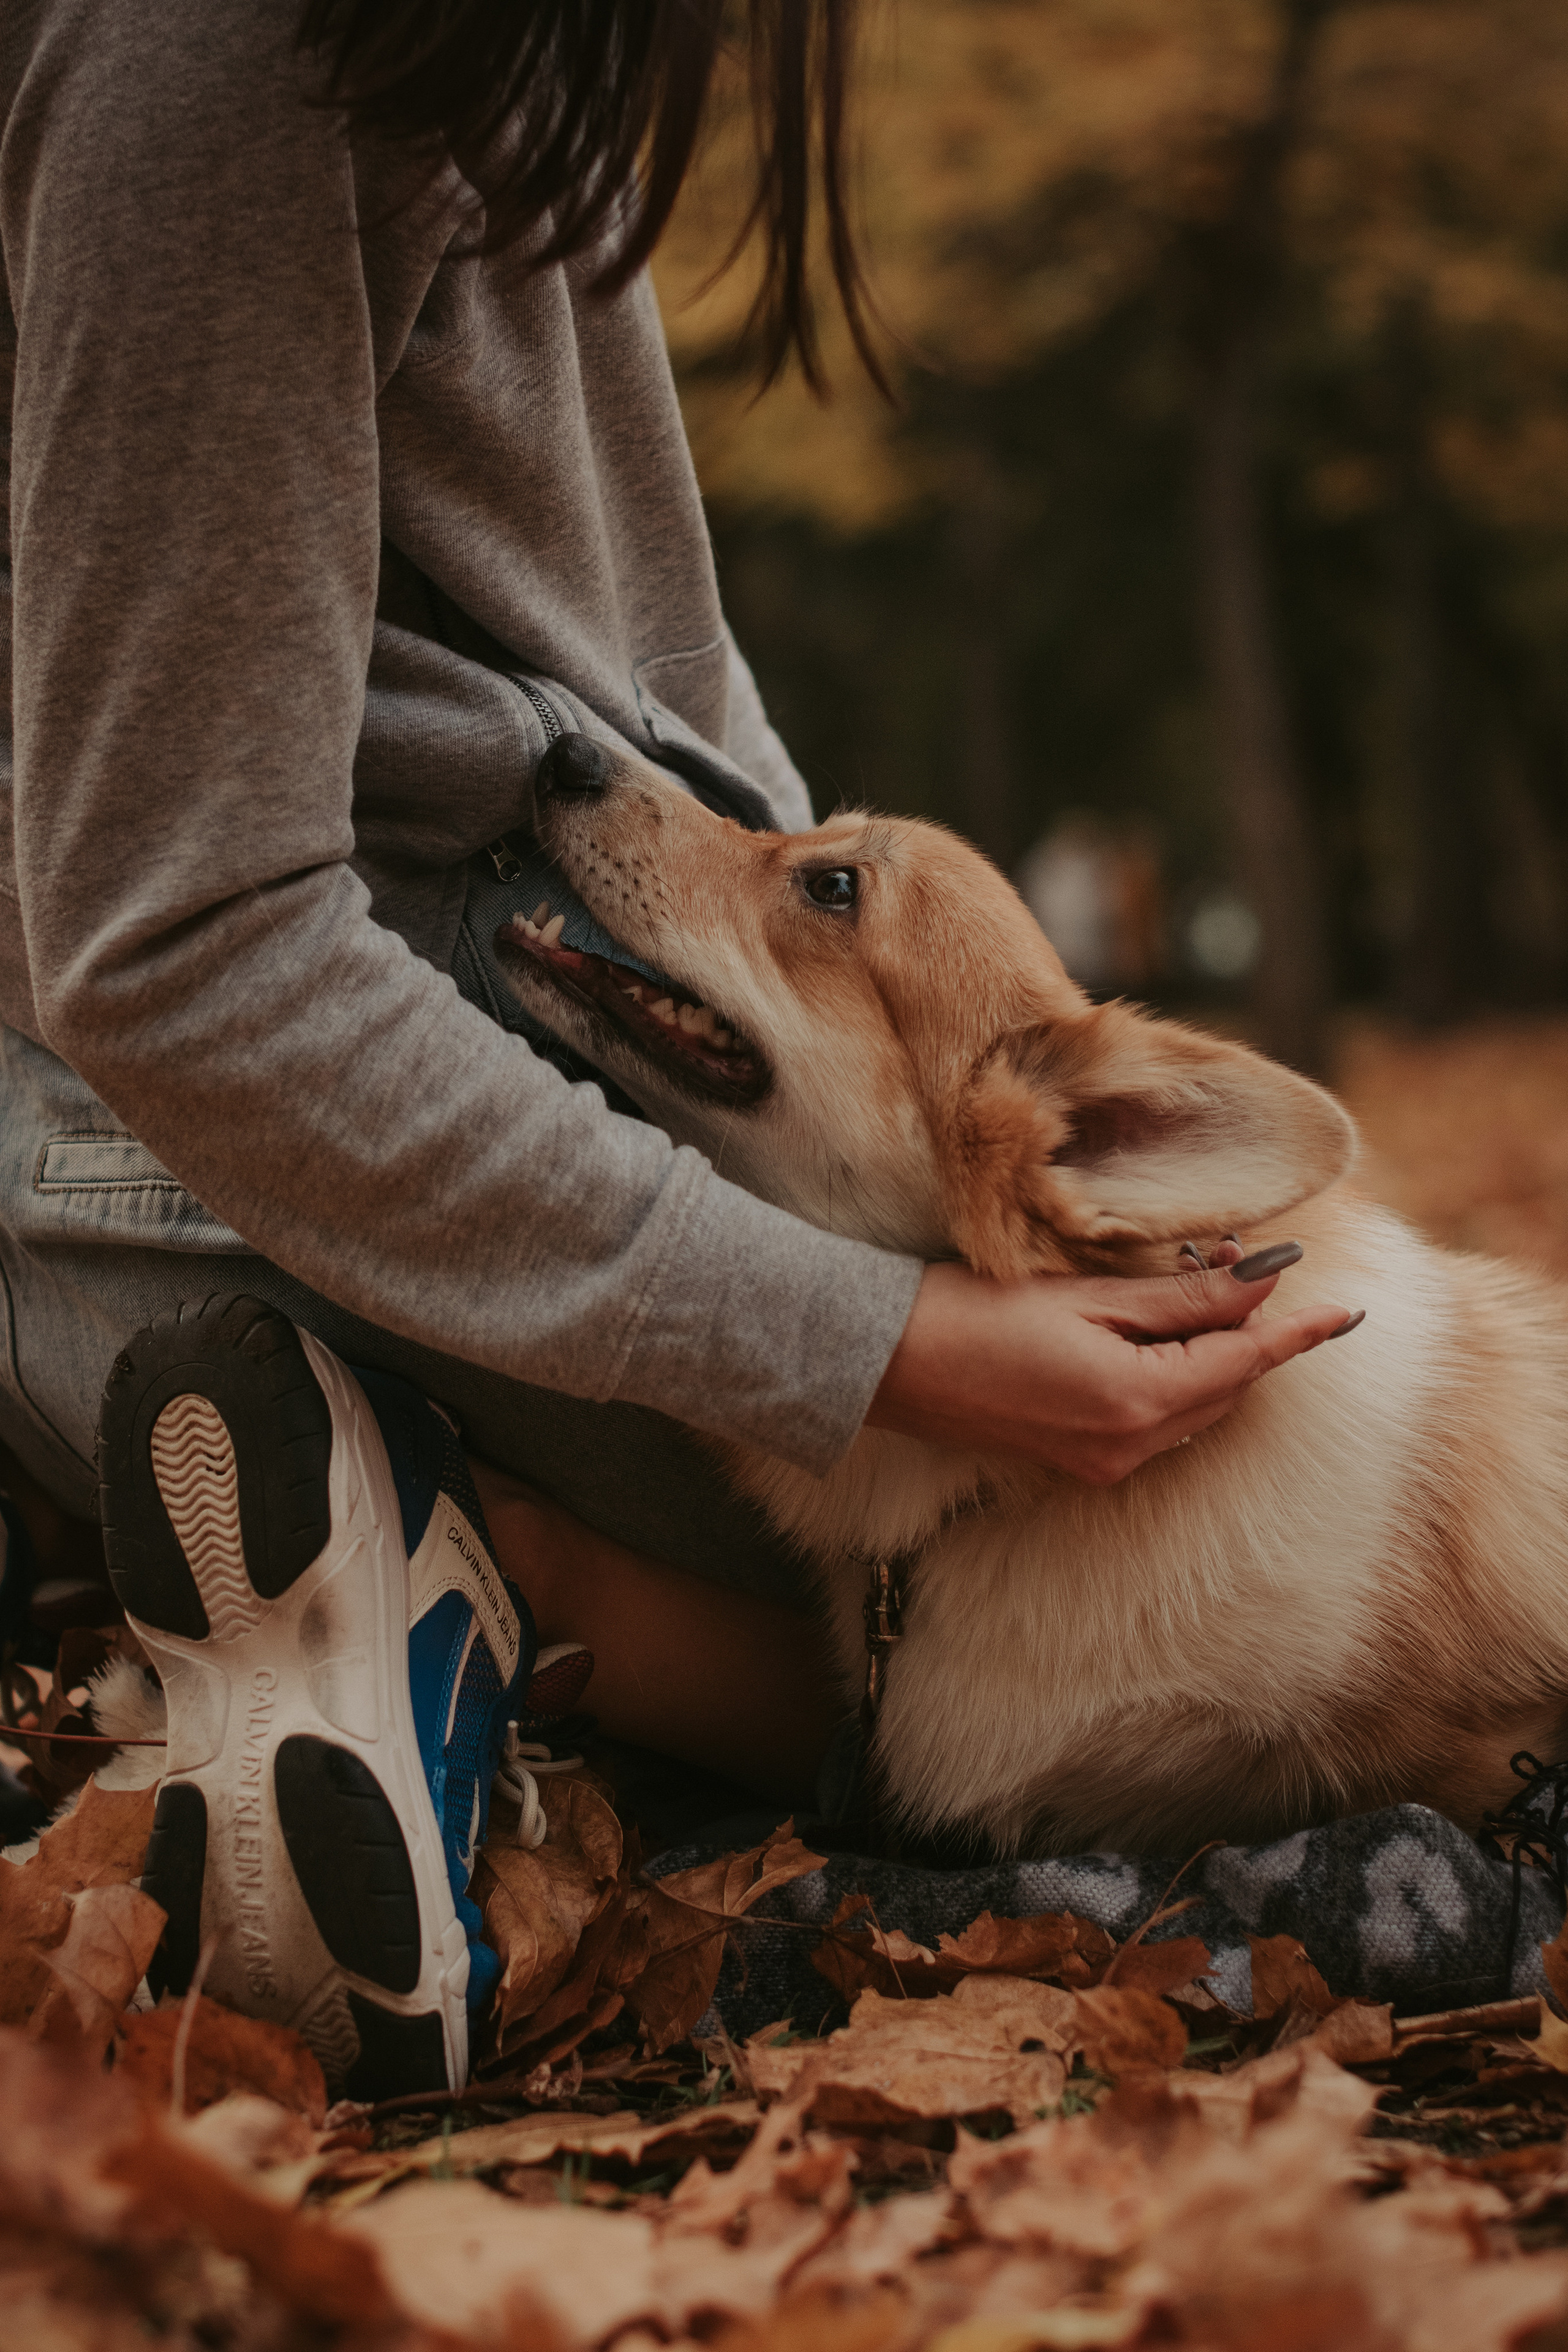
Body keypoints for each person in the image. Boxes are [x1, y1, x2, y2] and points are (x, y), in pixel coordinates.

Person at [0, 0, 1355, 2094]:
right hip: (305, 1062)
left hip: (514, 1025)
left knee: (1058, 1559)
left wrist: (841, 992)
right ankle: (448, 1575)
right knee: (1017, 1631)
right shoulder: (221, 58)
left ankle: (424, 1599)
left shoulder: (530, 43)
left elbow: (663, 682)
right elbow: (185, 943)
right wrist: (872, 1341)